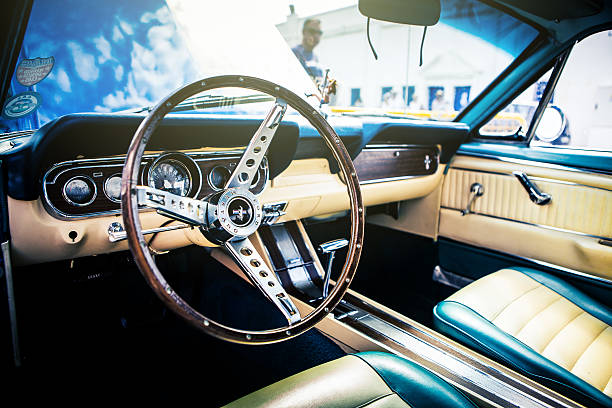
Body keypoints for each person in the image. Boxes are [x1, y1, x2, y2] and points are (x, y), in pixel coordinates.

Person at [292, 19, 324, 83]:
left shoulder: (315, 58)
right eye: (312, 31)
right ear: (304, 32)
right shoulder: (294, 53)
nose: (316, 36)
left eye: (319, 33)